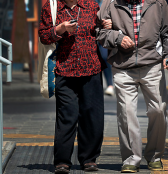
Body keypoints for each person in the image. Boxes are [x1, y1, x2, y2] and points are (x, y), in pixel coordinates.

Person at [97, 0, 168, 172]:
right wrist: (117, 38)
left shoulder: (158, 2)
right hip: (122, 65)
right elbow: (99, 32)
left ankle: (154, 155)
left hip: (152, 63)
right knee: (126, 113)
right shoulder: (110, 3)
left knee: (158, 109)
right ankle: (131, 159)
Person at [38, 0, 111, 173]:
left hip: (91, 68)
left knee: (92, 115)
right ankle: (62, 161)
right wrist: (60, 29)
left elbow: (99, 32)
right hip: (64, 69)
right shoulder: (51, 6)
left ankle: (89, 159)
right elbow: (43, 36)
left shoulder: (91, 5)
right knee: (66, 116)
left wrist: (106, 26)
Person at [95, 0, 115, 96]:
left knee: (104, 57)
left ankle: (110, 85)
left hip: (104, 33)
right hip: (93, 32)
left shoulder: (110, 1)